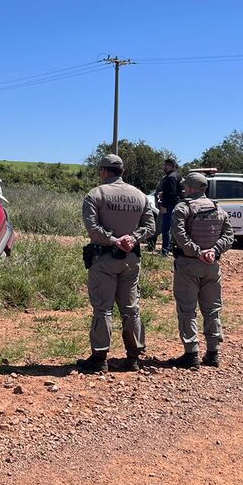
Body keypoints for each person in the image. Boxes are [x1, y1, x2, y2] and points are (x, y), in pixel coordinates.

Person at [77, 154, 155, 373]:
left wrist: (114, 240)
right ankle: (134, 358)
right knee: (131, 309)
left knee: (103, 309)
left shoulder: (96, 194)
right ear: (121, 171)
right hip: (131, 260)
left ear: (103, 171)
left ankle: (99, 358)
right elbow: (150, 227)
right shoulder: (140, 196)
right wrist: (133, 238)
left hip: (104, 259)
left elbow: (92, 229)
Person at [169, 172, 235, 368]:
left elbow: (179, 235)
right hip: (212, 266)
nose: (183, 189)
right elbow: (229, 236)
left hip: (189, 265)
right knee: (212, 310)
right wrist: (213, 251)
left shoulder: (183, 208)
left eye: (185, 186)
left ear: (190, 188)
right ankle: (213, 353)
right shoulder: (218, 209)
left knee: (187, 310)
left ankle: (191, 354)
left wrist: (197, 252)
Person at [154, 158, 182, 255]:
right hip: (175, 205)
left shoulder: (171, 177)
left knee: (165, 229)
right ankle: (169, 248)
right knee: (172, 229)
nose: (164, 167)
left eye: (165, 165)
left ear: (170, 166)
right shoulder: (177, 175)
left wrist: (164, 205)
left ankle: (165, 251)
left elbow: (171, 194)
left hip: (169, 206)